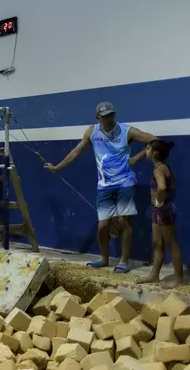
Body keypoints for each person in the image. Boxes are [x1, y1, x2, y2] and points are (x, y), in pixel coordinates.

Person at [44, 102, 156, 273]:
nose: (109, 119)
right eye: (105, 116)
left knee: (123, 221)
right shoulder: (92, 132)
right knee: (102, 226)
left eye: (111, 115)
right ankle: (104, 258)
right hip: (104, 185)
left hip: (124, 182)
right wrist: (57, 167)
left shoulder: (127, 131)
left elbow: (154, 141)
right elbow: (75, 152)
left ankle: (124, 261)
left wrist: (137, 158)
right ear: (98, 117)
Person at [134, 140, 183, 287]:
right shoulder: (163, 167)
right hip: (159, 211)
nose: (145, 151)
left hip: (162, 211)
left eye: (147, 149)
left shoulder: (158, 169)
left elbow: (162, 187)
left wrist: (160, 202)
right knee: (157, 244)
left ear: (154, 153)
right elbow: (172, 185)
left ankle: (178, 279)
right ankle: (154, 275)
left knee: (171, 244)